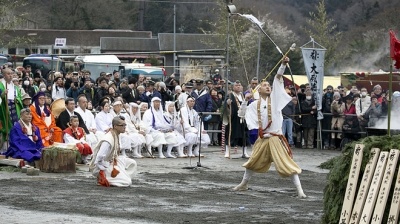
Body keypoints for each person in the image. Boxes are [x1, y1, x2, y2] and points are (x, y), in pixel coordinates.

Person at [233, 57, 306, 198]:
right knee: (252, 162)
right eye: (264, 85)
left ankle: (300, 190)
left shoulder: (275, 99)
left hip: (276, 138)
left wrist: (283, 65)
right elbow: (241, 114)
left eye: (268, 85)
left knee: (287, 164)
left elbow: (278, 79)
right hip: (263, 138)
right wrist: (245, 101)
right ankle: (243, 184)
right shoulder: (254, 104)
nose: (268, 87)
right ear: (258, 90)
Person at [90, 116, 137, 187]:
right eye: (122, 125)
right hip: (103, 165)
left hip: (112, 161)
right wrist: (103, 168)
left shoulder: (116, 135)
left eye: (125, 125)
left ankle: (121, 175)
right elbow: (99, 158)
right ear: (115, 126)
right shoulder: (108, 139)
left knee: (132, 163)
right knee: (126, 182)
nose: (124, 127)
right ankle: (105, 178)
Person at [224, 80, 250, 158]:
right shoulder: (230, 95)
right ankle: (227, 151)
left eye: (239, 85)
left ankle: (244, 152)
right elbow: (225, 106)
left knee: (244, 134)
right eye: (236, 85)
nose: (238, 87)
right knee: (231, 134)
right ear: (233, 87)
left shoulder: (243, 96)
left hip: (243, 117)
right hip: (234, 118)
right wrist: (228, 104)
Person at [0, 68, 23, 147]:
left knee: (15, 128)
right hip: (4, 109)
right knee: (5, 127)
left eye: (11, 74)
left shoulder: (15, 87)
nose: (10, 76)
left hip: (14, 108)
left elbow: (19, 97)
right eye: (8, 74)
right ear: (3, 75)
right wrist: (2, 95)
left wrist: (17, 100)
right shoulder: (0, 84)